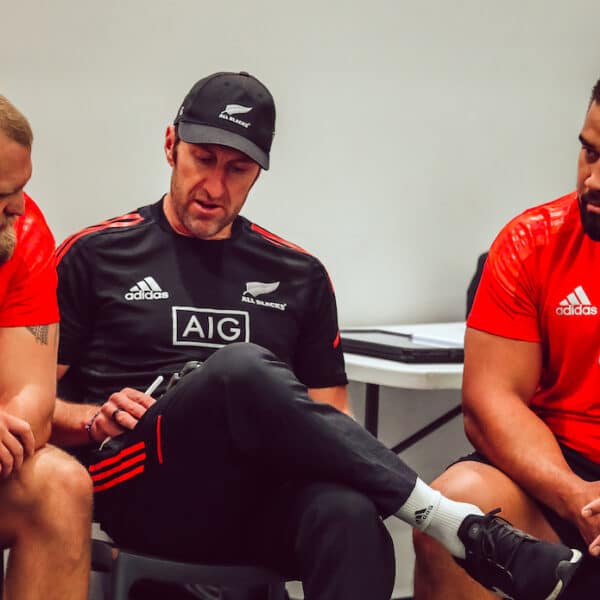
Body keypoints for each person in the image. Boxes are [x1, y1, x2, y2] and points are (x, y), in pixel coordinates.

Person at [52, 71, 581, 600]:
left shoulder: (298, 274)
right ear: (171, 145)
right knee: (240, 368)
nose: (215, 186)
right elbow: (32, 408)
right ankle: (456, 526)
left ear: (259, 172)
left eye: (237, 169)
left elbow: (332, 418)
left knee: (350, 517)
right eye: (203, 159)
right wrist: (92, 418)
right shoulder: (94, 255)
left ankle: (459, 529)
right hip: (144, 482)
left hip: (255, 495)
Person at [412, 77, 600, 599]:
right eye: (589, 151)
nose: (593, 179)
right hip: (561, 474)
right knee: (453, 511)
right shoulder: (530, 243)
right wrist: (580, 499)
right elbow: (490, 403)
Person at [0, 96, 92, 599]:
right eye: (4, 192)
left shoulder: (21, 233)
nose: (19, 206)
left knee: (59, 486)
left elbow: (31, 410)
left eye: (23, 188)